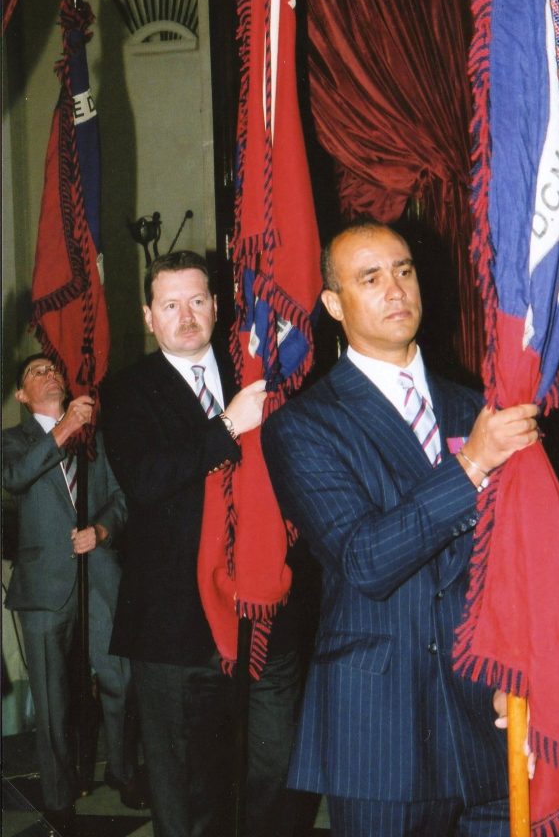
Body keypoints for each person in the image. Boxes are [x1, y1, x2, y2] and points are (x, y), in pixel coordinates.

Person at [262, 221, 539, 837]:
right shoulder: (305, 425)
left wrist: (520, 677)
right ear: (335, 304)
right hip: (380, 727)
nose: (395, 289)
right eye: (370, 277)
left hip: (488, 711)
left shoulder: (476, 408)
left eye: (404, 270)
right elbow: (365, 559)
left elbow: (515, 565)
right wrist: (470, 466)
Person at [101, 250, 304, 837]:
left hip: (266, 615)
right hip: (175, 626)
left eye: (197, 301)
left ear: (217, 306)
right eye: (170, 305)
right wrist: (227, 428)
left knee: (277, 766)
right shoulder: (127, 391)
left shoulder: (258, 373)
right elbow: (145, 480)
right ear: (148, 317)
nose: (186, 316)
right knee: (189, 793)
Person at [3, 354, 143, 837]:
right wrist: (63, 428)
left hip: (99, 574)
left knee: (119, 678)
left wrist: (102, 530)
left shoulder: (94, 439)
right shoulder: (12, 442)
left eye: (53, 368)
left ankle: (123, 770)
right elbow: (16, 477)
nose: (49, 375)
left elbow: (121, 498)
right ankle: (60, 796)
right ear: (21, 396)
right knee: (53, 696)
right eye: (35, 372)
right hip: (44, 586)